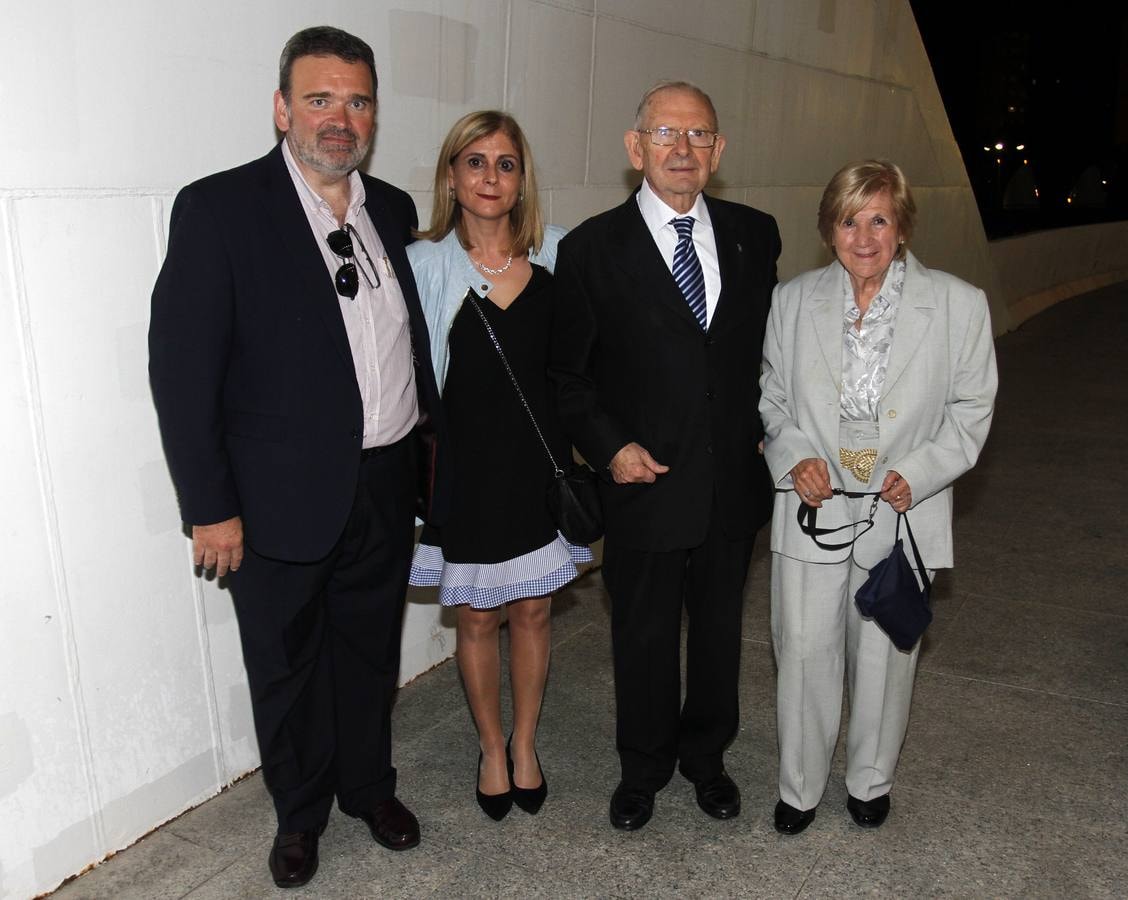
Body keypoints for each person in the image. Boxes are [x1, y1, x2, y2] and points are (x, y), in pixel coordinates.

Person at [148, 26, 449, 889]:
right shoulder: (220, 209)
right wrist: (210, 506)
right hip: (273, 498)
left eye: (357, 101)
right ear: (282, 108)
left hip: (385, 483)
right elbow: (182, 371)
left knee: (367, 654)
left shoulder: (389, 210)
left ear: (374, 115)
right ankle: (301, 814)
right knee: (284, 668)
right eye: (319, 98)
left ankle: (368, 789)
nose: (339, 118)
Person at [550, 81, 781, 831]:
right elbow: (568, 376)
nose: (682, 150)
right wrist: (609, 448)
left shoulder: (756, 234)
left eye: (698, 136)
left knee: (718, 633)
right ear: (634, 147)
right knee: (642, 635)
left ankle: (706, 759)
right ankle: (643, 767)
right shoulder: (589, 248)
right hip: (641, 484)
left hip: (729, 485)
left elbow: (763, 354)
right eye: (665, 134)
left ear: (718, 150)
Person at [759, 159, 997, 835]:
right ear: (827, 228)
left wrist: (920, 472)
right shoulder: (792, 301)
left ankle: (869, 781)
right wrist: (794, 455)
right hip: (813, 504)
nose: (863, 236)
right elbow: (773, 400)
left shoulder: (957, 304)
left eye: (878, 218)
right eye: (847, 219)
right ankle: (798, 787)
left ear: (902, 226)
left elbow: (970, 410)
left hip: (901, 506)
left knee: (886, 650)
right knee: (802, 646)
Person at [406, 110, 591, 821]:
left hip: (537, 467)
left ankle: (524, 743)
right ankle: (489, 747)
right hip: (465, 468)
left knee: (535, 609)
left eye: (505, 163)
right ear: (452, 177)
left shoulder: (561, 257)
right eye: (474, 161)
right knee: (478, 617)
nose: (490, 176)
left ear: (522, 180)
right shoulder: (422, 265)